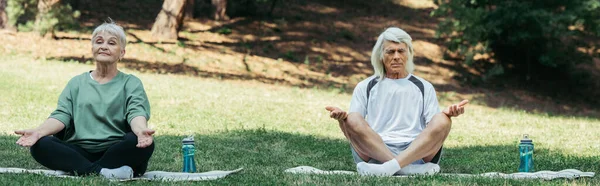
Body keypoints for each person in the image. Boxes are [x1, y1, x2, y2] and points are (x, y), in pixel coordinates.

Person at [14, 19, 155, 180]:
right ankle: (104, 172)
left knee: (140, 144)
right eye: (99, 42)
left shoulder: (131, 82)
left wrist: (140, 131)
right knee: (41, 145)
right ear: (93, 49)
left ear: (122, 52)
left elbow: (136, 112)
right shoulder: (76, 83)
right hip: (79, 150)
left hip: (116, 150)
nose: (104, 46)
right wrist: (38, 132)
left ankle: (79, 167)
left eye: (111, 43)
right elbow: (61, 115)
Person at [326, 27, 468, 176]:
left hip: (416, 152)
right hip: (375, 152)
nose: (396, 56)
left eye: (401, 51)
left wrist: (447, 114)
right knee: (353, 117)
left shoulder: (424, 86)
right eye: (390, 51)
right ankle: (404, 168)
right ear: (381, 55)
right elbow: (353, 132)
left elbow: (434, 129)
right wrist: (342, 120)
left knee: (442, 120)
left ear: (408, 55)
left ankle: (390, 168)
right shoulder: (365, 86)